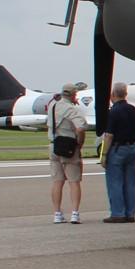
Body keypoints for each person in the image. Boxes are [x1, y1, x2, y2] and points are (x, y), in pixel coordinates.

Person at [101, 82, 135, 223]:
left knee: (115, 182)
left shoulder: (113, 112)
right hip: (132, 148)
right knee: (131, 183)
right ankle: (130, 213)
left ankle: (118, 213)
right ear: (126, 94)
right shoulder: (134, 110)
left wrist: (104, 155)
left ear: (113, 95)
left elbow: (109, 135)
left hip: (117, 149)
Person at [47, 82, 88, 224]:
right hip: (69, 147)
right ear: (73, 94)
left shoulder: (52, 106)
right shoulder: (72, 109)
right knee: (74, 181)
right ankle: (75, 213)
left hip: (54, 146)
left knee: (57, 181)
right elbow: (81, 128)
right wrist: (80, 144)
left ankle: (57, 213)